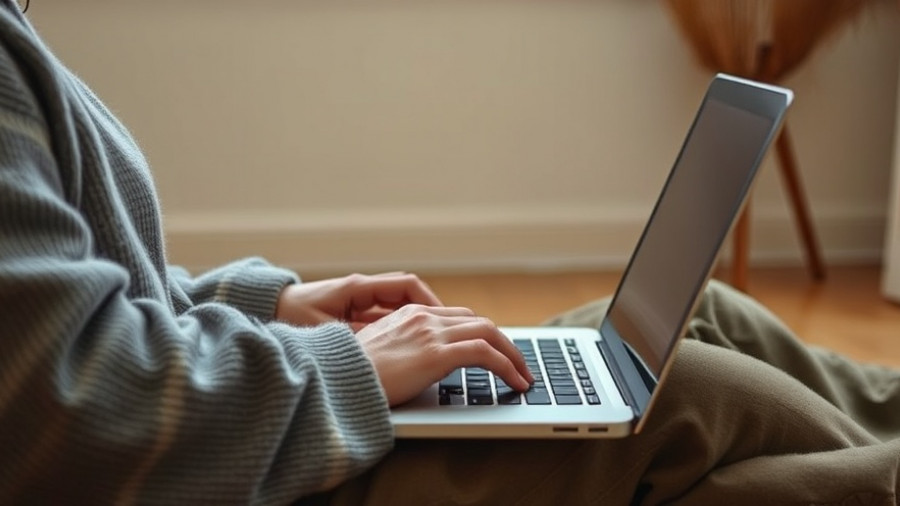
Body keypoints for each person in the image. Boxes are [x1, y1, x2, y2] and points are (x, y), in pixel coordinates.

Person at [0, 2, 898, 504]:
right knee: (685, 394)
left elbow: (83, 306)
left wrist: (266, 308)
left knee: (707, 319)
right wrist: (343, 365)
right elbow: (68, 413)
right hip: (242, 473)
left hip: (237, 423)